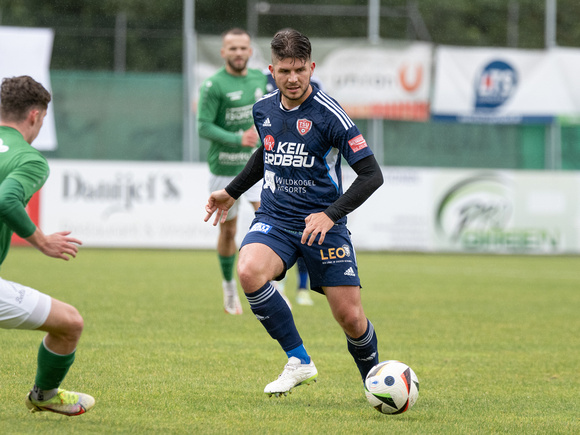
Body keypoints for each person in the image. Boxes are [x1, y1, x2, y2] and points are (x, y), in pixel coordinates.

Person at [204, 29, 384, 396]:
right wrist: (231, 192)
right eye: (284, 71)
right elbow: (266, 154)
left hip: (323, 225)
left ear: (311, 67)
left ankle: (375, 382)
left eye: (300, 69)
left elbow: (372, 174)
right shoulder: (263, 108)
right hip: (276, 218)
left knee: (350, 317)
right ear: (271, 70)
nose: (293, 78)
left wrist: (331, 215)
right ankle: (299, 360)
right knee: (249, 270)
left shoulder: (331, 115)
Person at [0, 75, 94, 415]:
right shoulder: (29, 159)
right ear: (35, 117)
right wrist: (40, 240)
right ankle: (45, 394)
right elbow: (7, 198)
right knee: (70, 323)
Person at [197, 28, 269, 315]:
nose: (239, 53)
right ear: (223, 52)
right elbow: (203, 126)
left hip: (256, 166)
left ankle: (276, 290)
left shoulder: (260, 80)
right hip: (224, 168)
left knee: (270, 222)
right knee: (229, 232)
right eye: (233, 48)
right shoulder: (213, 85)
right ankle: (229, 289)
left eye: (243, 48)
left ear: (250, 51)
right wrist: (238, 138)